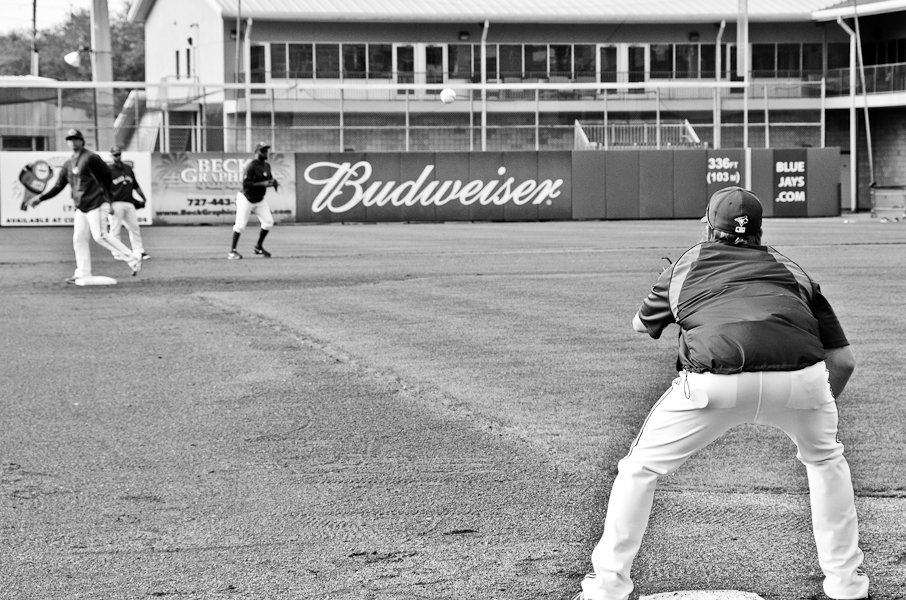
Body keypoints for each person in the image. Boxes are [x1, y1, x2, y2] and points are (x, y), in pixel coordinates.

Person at [575, 187, 868, 600]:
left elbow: (641, 324)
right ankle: (847, 589)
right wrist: (816, 405)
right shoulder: (792, 270)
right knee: (826, 463)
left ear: (709, 227)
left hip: (715, 382)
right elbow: (844, 362)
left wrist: (674, 293)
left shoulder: (688, 264)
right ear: (760, 230)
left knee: (639, 470)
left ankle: (606, 589)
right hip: (801, 381)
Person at [28, 129, 141, 283]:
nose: (72, 141)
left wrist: (108, 198)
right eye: (70, 139)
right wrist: (41, 198)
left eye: (76, 138)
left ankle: (133, 258)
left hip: (97, 202)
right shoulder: (68, 164)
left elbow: (107, 175)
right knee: (79, 239)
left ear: (82, 141)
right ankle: (83, 273)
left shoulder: (91, 158)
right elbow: (59, 186)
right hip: (82, 207)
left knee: (100, 235)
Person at [228, 141, 278, 259]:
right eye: (263, 150)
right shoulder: (251, 166)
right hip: (246, 198)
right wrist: (263, 184)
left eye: (266, 150)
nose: (265, 152)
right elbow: (246, 184)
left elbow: (268, 180)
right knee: (240, 225)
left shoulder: (267, 166)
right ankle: (232, 252)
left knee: (268, 222)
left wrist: (273, 183)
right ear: (256, 152)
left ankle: (258, 247)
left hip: (259, 199)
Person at [107, 145, 149, 261]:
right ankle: (117, 252)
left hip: (129, 202)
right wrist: (108, 204)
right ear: (111, 156)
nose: (117, 156)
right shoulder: (108, 170)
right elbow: (104, 189)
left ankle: (139, 251)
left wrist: (143, 198)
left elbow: (135, 185)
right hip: (115, 203)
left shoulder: (127, 168)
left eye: (119, 154)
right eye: (115, 155)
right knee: (115, 229)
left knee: (134, 227)